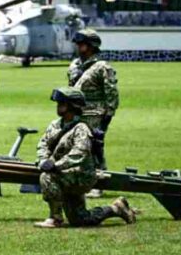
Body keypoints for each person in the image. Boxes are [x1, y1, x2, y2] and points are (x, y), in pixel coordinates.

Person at [34, 87, 137, 228]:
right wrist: (43, 160)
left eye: (62, 103)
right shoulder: (55, 125)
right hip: (65, 174)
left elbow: (78, 153)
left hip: (80, 175)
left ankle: (55, 218)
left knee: (47, 177)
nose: (58, 106)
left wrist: (55, 166)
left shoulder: (81, 128)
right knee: (80, 220)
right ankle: (116, 208)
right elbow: (43, 144)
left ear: (72, 106)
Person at [66, 28, 117, 196]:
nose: (78, 47)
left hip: (95, 114)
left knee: (93, 148)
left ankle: (97, 183)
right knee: (75, 147)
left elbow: (111, 94)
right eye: (78, 44)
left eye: (82, 44)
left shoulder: (102, 67)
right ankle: (79, 181)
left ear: (91, 46)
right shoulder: (74, 65)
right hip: (76, 113)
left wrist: (107, 118)